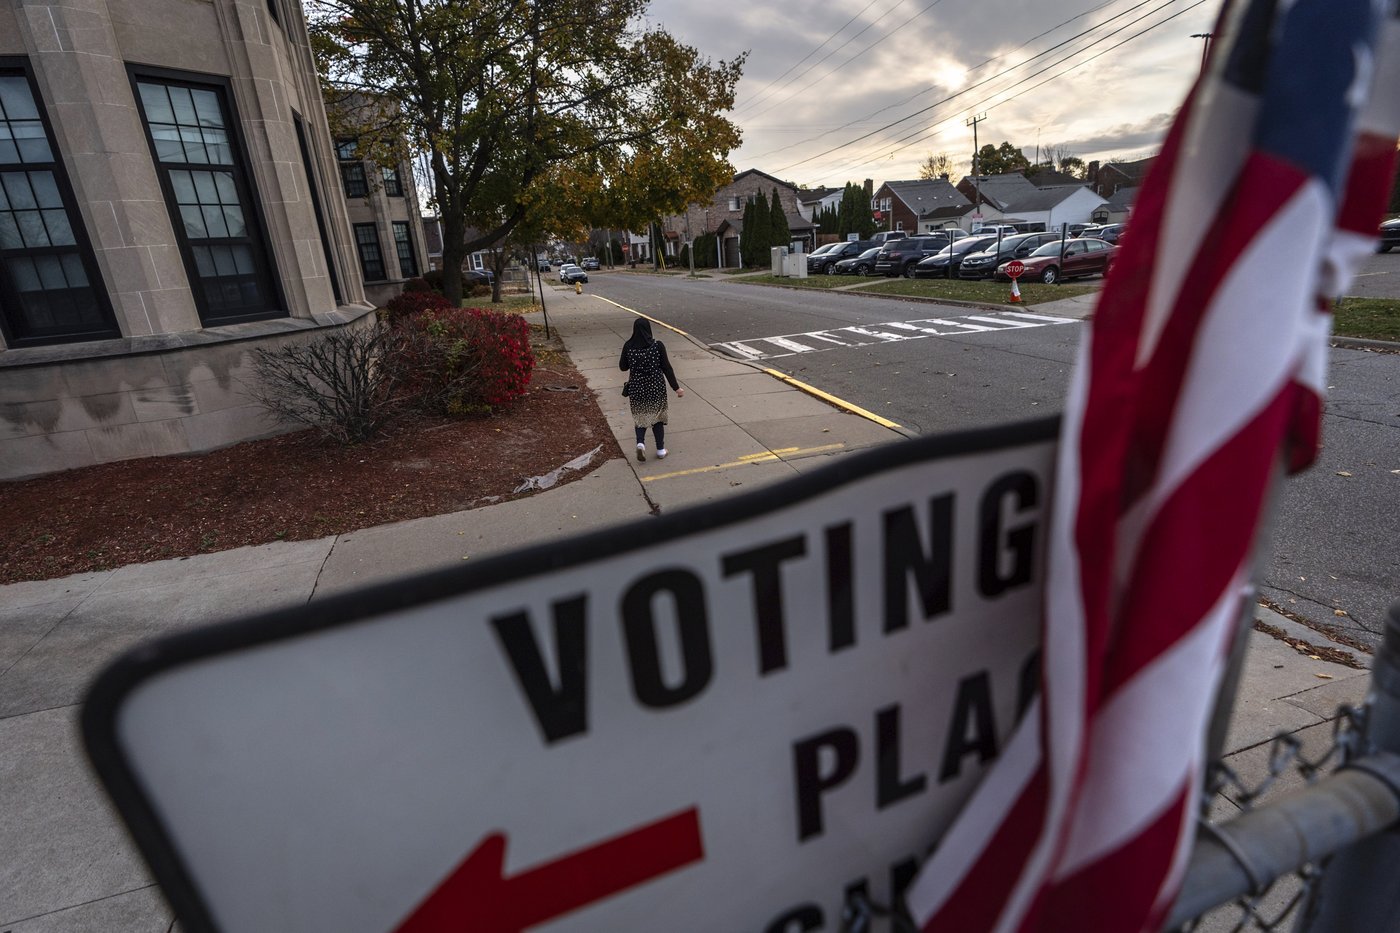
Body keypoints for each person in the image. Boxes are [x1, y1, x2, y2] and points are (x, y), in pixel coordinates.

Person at [619, 318, 682, 461]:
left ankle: (640, 444)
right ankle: (660, 450)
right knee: (657, 418)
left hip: (637, 388)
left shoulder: (628, 346)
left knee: (641, 417)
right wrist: (676, 388)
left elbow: (623, 367)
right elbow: (667, 368)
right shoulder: (657, 346)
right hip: (656, 387)